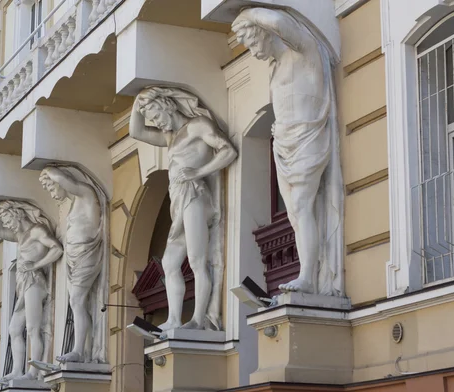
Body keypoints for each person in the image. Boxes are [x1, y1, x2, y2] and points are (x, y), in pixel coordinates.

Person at [232, 8, 343, 296]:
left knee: (302, 205)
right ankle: (308, 270)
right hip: (283, 142)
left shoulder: (304, 51)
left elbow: (281, 22)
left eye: (253, 43)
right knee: (294, 211)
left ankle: (307, 276)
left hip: (307, 136)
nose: (254, 52)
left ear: (265, 33)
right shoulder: (275, 66)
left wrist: (250, 12)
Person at [130, 86, 237, 330]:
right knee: (169, 264)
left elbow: (228, 150)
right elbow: (135, 131)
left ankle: (199, 319)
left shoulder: (198, 125)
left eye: (156, 115)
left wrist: (198, 172)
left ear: (167, 105)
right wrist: (139, 103)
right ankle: (174, 320)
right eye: (153, 119)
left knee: (198, 259)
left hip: (195, 196)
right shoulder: (170, 136)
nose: (156, 122)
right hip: (177, 200)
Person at [40, 165, 108, 364]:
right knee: (77, 302)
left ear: (61, 181)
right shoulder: (74, 204)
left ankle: (78, 350)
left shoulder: (86, 193)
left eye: (52, 188)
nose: (52, 193)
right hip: (75, 258)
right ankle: (83, 348)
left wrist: (49, 170)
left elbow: (69, 183)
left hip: (87, 254)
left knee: (77, 300)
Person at [0, 200, 63, 380]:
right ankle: (17, 370)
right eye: (5, 221)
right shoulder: (19, 236)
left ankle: (33, 372)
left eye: (7, 219)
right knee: (14, 329)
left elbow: (57, 249)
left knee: (32, 328)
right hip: (23, 283)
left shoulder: (37, 231)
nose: (6, 224)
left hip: (35, 282)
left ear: (17, 214)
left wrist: (36, 265)